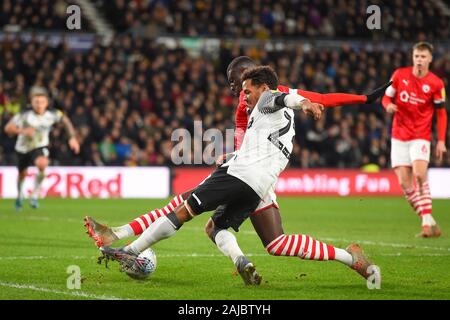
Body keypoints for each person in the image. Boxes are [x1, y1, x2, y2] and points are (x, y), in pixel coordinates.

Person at [85, 57, 389, 284]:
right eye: (235, 87)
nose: (238, 92)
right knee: (268, 240)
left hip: (243, 173)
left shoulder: (269, 96)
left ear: (256, 82)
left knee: (185, 205)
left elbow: (294, 98)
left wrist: (345, 99)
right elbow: (258, 128)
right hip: (261, 181)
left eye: (240, 85)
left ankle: (127, 243)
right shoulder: (251, 106)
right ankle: (350, 258)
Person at [382, 42, 447, 238]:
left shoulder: (436, 83)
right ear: (413, 57)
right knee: (405, 184)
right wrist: (388, 107)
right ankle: (430, 220)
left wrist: (441, 141)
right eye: (416, 56)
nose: (419, 60)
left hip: (421, 135)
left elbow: (441, 114)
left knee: (419, 175)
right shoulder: (399, 75)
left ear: (430, 59)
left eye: (423, 56)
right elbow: (386, 98)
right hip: (399, 134)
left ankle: (426, 224)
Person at [4, 86, 80, 210]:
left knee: (42, 163)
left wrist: (72, 137)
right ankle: (19, 196)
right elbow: (8, 128)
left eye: (42, 102)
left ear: (47, 103)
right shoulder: (24, 114)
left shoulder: (52, 113)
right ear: (31, 102)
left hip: (40, 145)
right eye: (36, 102)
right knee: (22, 174)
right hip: (22, 148)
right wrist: (22, 131)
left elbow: (65, 120)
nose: (39, 105)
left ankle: (34, 195)